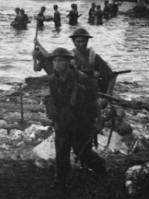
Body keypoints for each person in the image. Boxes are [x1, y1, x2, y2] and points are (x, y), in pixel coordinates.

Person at [45, 47, 106, 190]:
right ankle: (60, 181)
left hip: (81, 121)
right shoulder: (53, 79)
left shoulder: (81, 77)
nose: (57, 64)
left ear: (68, 62)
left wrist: (99, 120)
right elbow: (54, 98)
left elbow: (94, 100)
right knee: (61, 151)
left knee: (82, 151)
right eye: (55, 60)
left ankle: (101, 170)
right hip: (63, 120)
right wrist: (52, 111)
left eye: (61, 60)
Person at [68, 28, 116, 104]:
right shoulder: (68, 57)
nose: (81, 44)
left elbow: (111, 76)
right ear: (73, 42)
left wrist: (107, 97)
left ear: (87, 41)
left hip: (91, 92)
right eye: (78, 41)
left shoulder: (93, 57)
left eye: (84, 41)